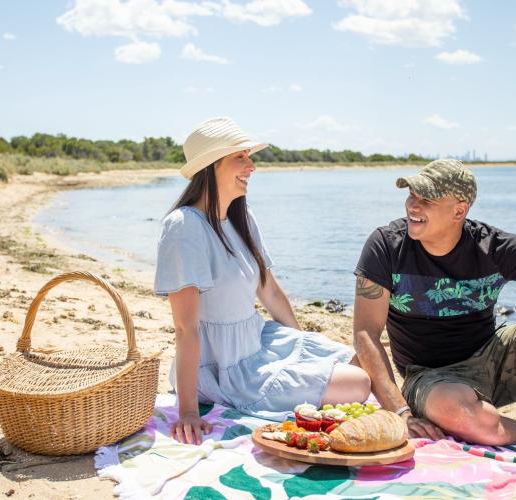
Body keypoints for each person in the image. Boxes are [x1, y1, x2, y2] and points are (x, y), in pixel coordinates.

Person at [352, 159, 516, 458]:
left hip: (494, 359)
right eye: (411, 196)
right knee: (467, 416)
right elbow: (366, 334)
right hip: (432, 381)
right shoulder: (386, 246)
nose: (413, 206)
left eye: (426, 199)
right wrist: (400, 412)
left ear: (459, 210)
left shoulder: (493, 247)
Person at [155, 117, 370, 445]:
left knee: (359, 361)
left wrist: (302, 348)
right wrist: (187, 412)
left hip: (258, 340)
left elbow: (268, 289)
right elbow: (186, 329)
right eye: (239, 157)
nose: (251, 166)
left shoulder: (241, 216)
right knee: (358, 384)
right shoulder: (184, 227)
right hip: (223, 367)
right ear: (212, 166)